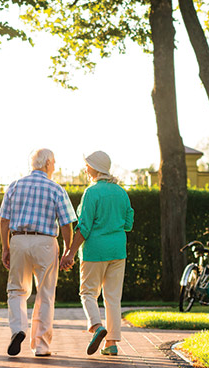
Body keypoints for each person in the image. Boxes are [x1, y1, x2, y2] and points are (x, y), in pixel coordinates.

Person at [0, 148, 76, 357]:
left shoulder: (14, 186)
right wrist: (69, 250)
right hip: (45, 242)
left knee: (16, 290)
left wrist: (6, 247)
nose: (55, 166)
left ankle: (18, 330)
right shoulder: (56, 189)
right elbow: (67, 224)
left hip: (19, 239)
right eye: (55, 163)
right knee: (45, 294)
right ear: (48, 164)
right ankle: (41, 346)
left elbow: (4, 220)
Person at [60, 150, 133, 356]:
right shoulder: (121, 192)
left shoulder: (91, 192)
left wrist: (70, 253)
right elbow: (128, 224)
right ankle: (111, 343)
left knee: (88, 293)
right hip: (118, 250)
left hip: (94, 251)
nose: (85, 168)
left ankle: (96, 326)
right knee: (113, 298)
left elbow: (84, 227)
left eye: (87, 164)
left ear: (95, 168)